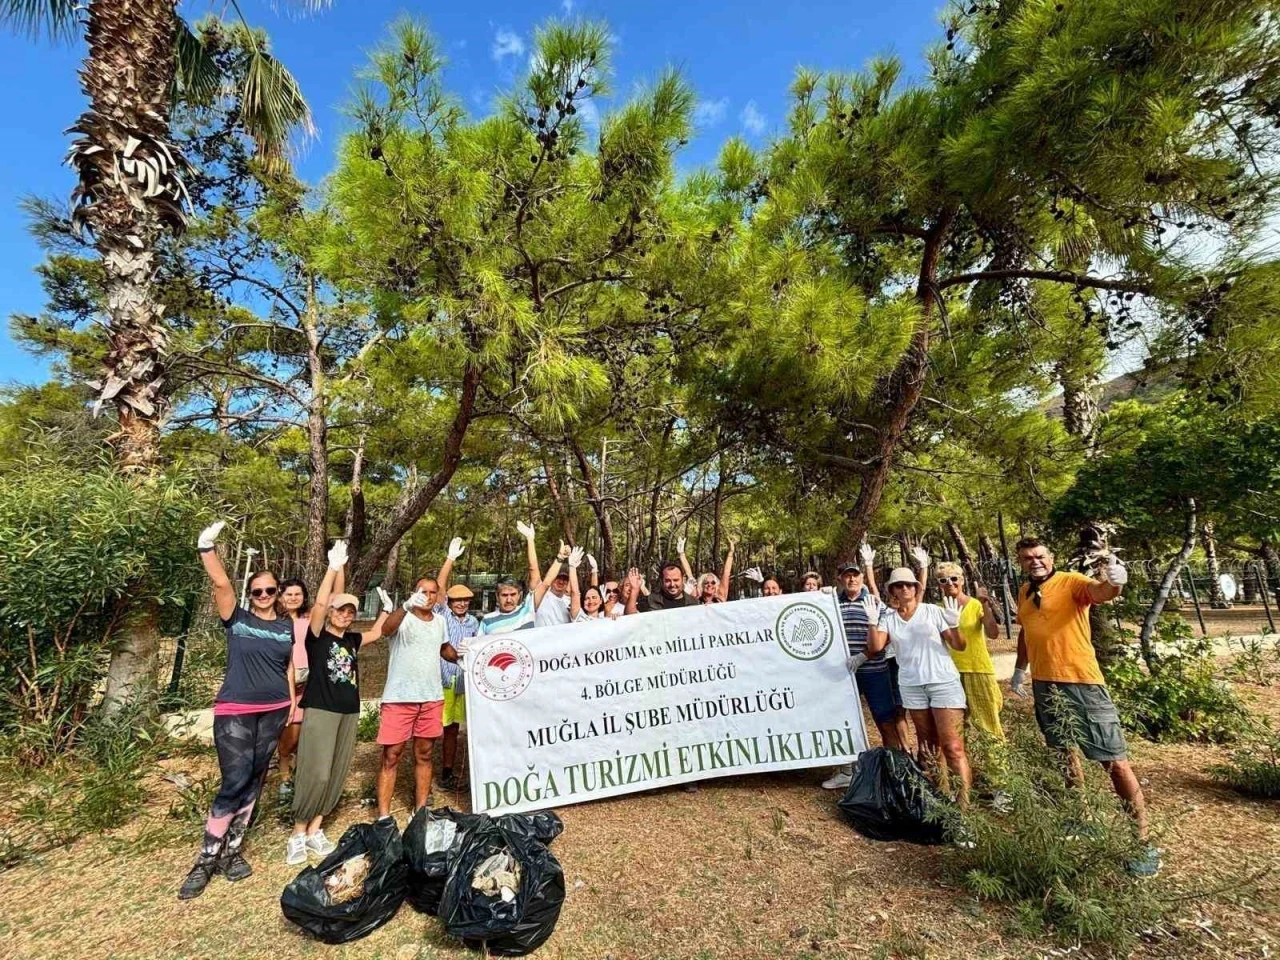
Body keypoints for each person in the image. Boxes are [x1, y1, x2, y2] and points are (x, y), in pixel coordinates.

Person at [1008, 537, 1157, 876]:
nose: (1034, 561)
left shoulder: (1071, 582)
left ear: (1051, 557)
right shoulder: (1024, 591)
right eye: (1027, 557)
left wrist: (1114, 583)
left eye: (1040, 556)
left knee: (1113, 761)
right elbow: (1027, 631)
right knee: (1064, 751)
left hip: (1082, 683)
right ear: (1020, 561)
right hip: (1046, 684)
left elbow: (1099, 592)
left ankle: (1143, 842)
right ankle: (1082, 817)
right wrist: (1020, 669)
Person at [180, 521, 296, 899]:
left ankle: (232, 851)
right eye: (257, 590)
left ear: (278, 594)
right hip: (236, 709)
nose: (263, 594)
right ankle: (206, 857)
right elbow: (221, 585)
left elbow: (288, 667)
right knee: (234, 779)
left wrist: (292, 701)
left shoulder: (285, 627)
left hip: (275, 709)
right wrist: (206, 547)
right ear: (250, 594)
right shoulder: (237, 618)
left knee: (256, 777)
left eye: (270, 590)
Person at [287, 541, 390, 865]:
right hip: (321, 709)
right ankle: (297, 832)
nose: (345, 615)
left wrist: (388, 608)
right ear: (330, 613)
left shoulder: (350, 639)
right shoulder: (316, 637)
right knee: (315, 772)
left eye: (350, 611)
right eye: (340, 610)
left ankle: (316, 829)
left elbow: (376, 632)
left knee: (334, 772)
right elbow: (320, 602)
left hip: (349, 712)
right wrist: (334, 567)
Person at [372, 537, 466, 821]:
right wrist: (403, 607)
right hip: (400, 698)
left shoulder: (439, 621)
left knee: (424, 754)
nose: (429, 595)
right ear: (414, 593)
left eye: (433, 592)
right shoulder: (403, 619)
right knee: (392, 756)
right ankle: (384, 816)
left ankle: (421, 808)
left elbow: (444, 650)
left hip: (431, 698)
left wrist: (466, 657)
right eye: (423, 591)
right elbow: (385, 630)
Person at [866, 566, 972, 807]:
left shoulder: (932, 611)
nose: (905, 588)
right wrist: (872, 622)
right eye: (899, 585)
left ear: (916, 588)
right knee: (929, 746)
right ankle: (941, 801)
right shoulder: (888, 619)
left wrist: (955, 625)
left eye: (909, 584)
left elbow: (959, 645)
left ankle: (965, 808)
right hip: (912, 686)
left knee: (953, 747)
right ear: (892, 590)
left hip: (942, 682)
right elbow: (875, 648)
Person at [824, 543, 911, 790]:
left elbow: (886, 636)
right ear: (841, 579)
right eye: (847, 575)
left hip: (874, 672)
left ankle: (897, 770)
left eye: (855, 575)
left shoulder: (875, 603)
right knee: (842, 721)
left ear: (862, 577)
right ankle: (847, 770)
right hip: (843, 674)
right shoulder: (831, 603)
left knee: (885, 720)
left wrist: (864, 655)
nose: (851, 579)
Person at [935, 562, 1004, 740]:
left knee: (988, 724)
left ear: (962, 580)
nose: (949, 583)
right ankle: (965, 766)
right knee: (957, 728)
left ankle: (997, 767)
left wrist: (985, 605)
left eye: (954, 578)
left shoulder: (975, 604)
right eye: (943, 580)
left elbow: (993, 633)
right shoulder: (936, 609)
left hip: (977, 669)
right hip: (949, 673)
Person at [438, 583, 478, 791]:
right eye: (456, 600)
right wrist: (450, 560)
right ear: (450, 602)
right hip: (444, 677)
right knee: (438, 727)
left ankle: (448, 772)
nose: (461, 604)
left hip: (463, 681)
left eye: (465, 600)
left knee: (454, 728)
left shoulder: (474, 622)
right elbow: (440, 589)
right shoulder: (443, 615)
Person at [275, 578, 312, 801]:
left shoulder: (307, 621)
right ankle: (284, 779)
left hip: (308, 683)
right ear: (280, 596)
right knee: (290, 734)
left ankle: (299, 778)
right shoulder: (274, 622)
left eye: (297, 594)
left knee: (304, 734)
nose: (293, 598)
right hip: (283, 682)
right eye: (288, 594)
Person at [517, 521, 574, 628]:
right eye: (558, 577)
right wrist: (530, 540)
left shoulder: (570, 602)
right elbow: (533, 569)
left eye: (565, 579)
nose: (561, 581)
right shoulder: (542, 595)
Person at [624, 561, 697, 613]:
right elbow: (630, 617)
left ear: (683, 579)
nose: (672, 584)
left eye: (676, 580)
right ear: (662, 581)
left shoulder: (694, 603)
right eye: (667, 581)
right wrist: (635, 589)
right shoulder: (650, 600)